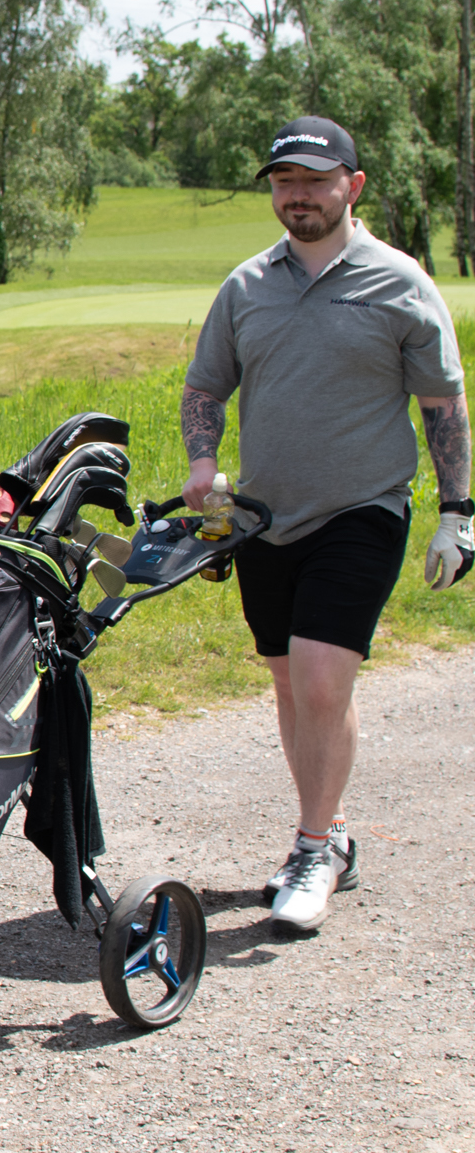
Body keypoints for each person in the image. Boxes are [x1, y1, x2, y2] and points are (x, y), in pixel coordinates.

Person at [181, 116, 470, 934]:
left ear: (353, 185)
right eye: (283, 181)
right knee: (287, 681)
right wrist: (204, 463)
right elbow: (206, 388)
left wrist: (457, 514)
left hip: (363, 509)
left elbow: (442, 406)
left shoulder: (400, 283)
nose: (297, 195)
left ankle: (313, 847)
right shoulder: (246, 286)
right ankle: (330, 824)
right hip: (265, 518)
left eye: (314, 180)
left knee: (317, 678)